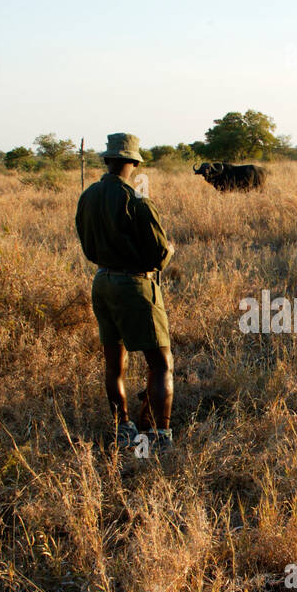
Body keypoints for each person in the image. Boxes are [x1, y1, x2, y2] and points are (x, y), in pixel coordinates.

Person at [74, 133, 175, 452]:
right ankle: (159, 435)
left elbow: (87, 246)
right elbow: (159, 255)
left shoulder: (88, 196)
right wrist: (170, 250)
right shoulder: (137, 199)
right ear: (133, 162)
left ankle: (123, 428)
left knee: (114, 364)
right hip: (135, 285)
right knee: (160, 364)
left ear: (107, 160)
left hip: (102, 282)